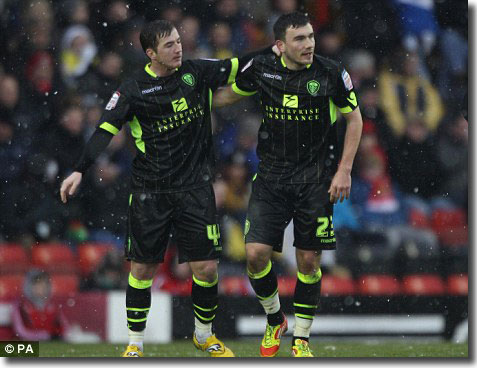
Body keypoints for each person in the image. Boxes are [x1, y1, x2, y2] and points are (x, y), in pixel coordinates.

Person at [60, 19, 276, 358]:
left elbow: (239, 65)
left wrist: (274, 50)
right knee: (143, 269)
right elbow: (105, 128)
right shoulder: (132, 90)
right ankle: (135, 343)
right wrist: (79, 170)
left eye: (178, 42)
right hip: (151, 191)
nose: (178, 48)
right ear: (151, 53)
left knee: (205, 268)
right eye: (170, 45)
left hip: (196, 188)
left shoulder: (195, 72)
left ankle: (204, 335)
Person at [213, 12, 363, 357]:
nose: (308, 44)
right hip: (271, 177)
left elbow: (354, 119)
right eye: (299, 39)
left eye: (310, 37)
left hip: (316, 180)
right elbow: (224, 97)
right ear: (280, 45)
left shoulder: (330, 72)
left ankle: (301, 338)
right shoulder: (263, 69)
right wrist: (185, 95)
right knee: (255, 255)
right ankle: (275, 318)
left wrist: (345, 170)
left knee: (309, 262)